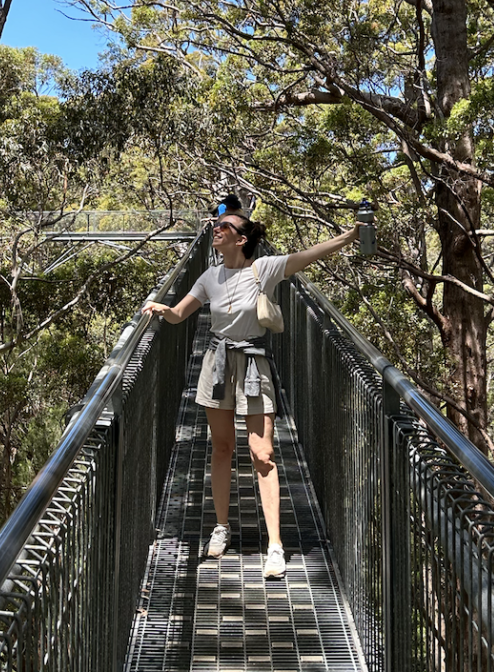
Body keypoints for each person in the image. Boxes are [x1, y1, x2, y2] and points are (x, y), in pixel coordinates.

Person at [142, 209, 361, 578]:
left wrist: (350, 236)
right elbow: (181, 314)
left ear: (241, 239)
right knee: (222, 447)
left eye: (225, 227)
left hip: (254, 365)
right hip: (217, 363)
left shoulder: (266, 268)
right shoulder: (210, 276)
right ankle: (221, 527)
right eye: (216, 226)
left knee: (263, 453)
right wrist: (162, 309)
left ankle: (275, 545)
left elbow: (311, 254)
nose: (217, 230)